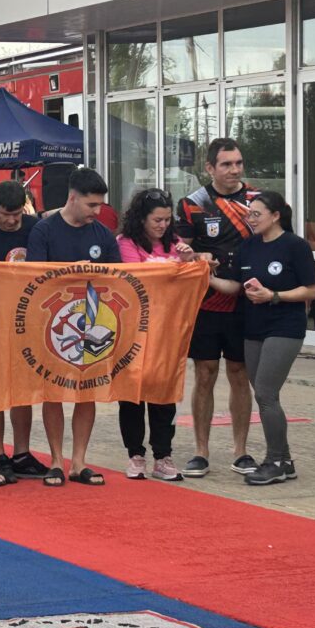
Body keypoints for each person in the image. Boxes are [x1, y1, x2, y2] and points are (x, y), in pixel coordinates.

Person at [207, 191, 315, 485]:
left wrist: (274, 295)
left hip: (285, 327)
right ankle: (284, 460)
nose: (251, 219)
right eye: (249, 214)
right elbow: (234, 286)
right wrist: (203, 276)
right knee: (264, 394)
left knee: (266, 394)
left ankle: (277, 460)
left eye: (256, 214)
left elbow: (310, 290)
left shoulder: (295, 246)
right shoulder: (249, 247)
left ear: (275, 215)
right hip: (253, 327)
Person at [26, 167, 121, 487]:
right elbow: (36, 278)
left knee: (86, 393)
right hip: (55, 326)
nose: (98, 212)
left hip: (95, 324)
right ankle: (55, 460)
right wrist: (76, 274)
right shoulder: (44, 231)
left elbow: (119, 279)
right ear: (72, 198)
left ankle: (79, 461)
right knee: (53, 391)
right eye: (92, 205)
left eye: (100, 206)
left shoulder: (103, 235)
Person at [175, 137, 257, 478]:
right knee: (204, 374)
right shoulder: (193, 204)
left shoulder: (257, 200)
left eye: (238, 163)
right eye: (226, 164)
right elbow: (180, 250)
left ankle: (241, 451)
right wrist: (192, 257)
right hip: (206, 304)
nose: (234, 170)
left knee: (240, 375)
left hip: (245, 305)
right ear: (209, 168)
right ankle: (201, 451)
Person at [116, 188, 197, 482]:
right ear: (141, 219)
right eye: (157, 220)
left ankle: (163, 455)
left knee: (164, 393)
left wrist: (189, 260)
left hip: (166, 331)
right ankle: (135, 454)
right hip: (133, 330)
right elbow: (137, 275)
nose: (163, 226)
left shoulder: (175, 244)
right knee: (131, 395)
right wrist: (174, 267)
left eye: (167, 220)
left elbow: (186, 276)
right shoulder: (125, 243)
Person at [0, 180, 47, 482]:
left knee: (23, 389)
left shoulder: (34, 228)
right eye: (6, 214)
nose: (13, 220)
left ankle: (22, 453)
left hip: (27, 319)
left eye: (17, 214)